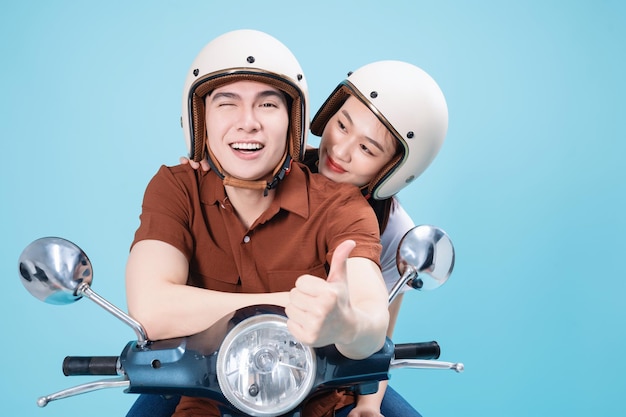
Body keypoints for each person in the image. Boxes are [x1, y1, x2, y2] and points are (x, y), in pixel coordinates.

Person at [127, 60, 449, 417]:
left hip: (319, 375)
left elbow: (377, 328)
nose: (340, 152)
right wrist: (208, 156)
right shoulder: (263, 158)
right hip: (210, 371)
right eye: (341, 126)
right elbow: (151, 309)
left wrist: (368, 399)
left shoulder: (390, 228)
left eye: (368, 149)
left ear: (396, 170)